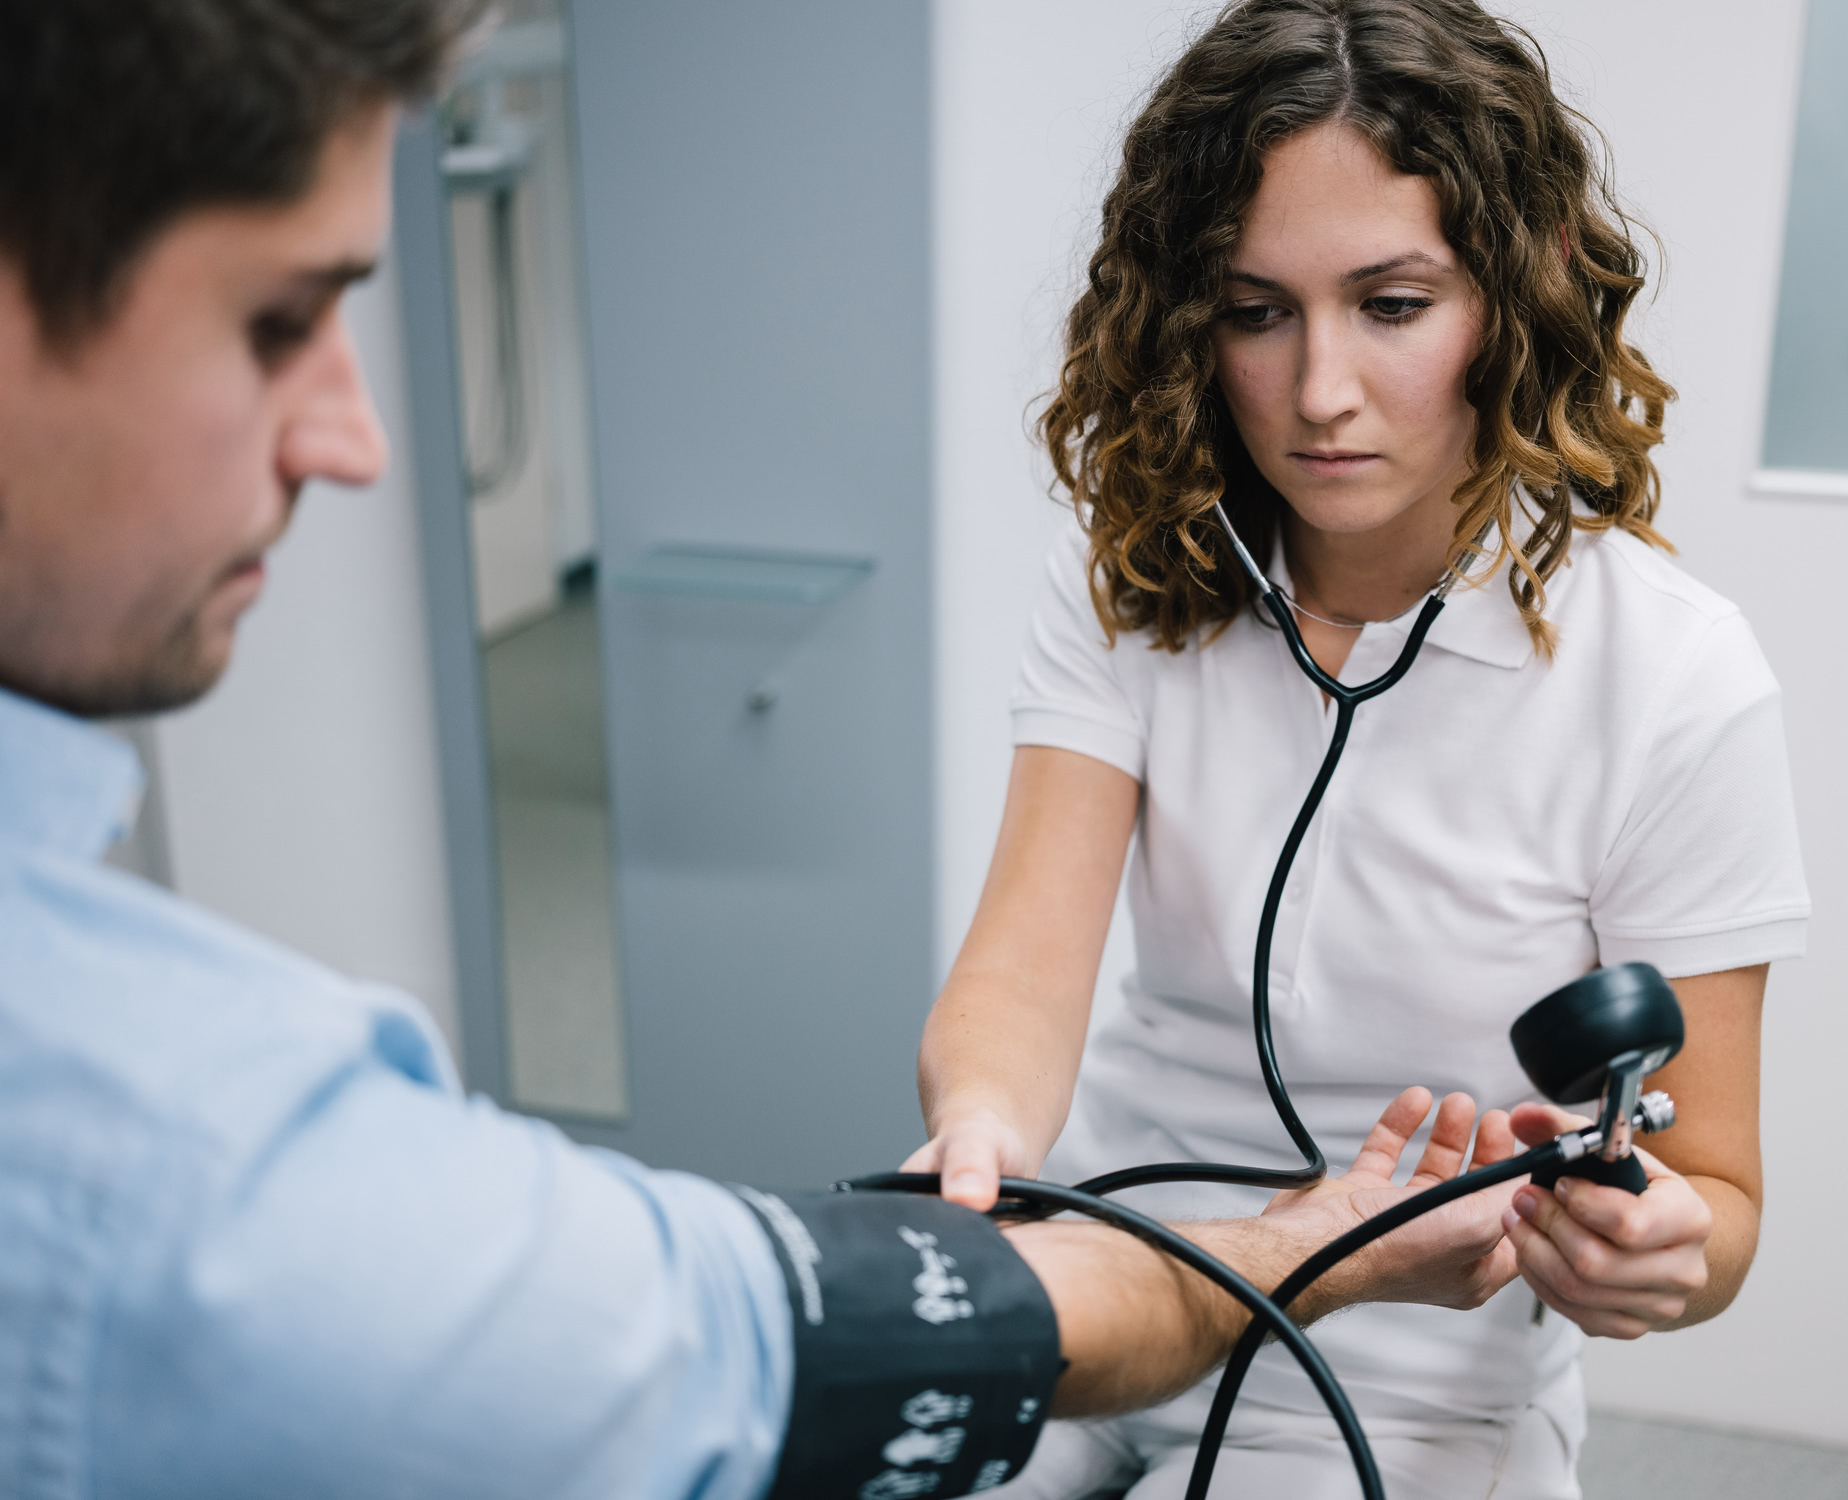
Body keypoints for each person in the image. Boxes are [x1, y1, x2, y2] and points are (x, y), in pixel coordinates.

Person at [0, 2, 1534, 1496]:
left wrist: (1355, 1241)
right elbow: (767, 1340)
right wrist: (1272, 1228)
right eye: (277, 320)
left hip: (1403, 1324)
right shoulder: (174, 1138)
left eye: (1390, 305)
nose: (355, 439)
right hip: (1208, 1249)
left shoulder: (1657, 666)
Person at [904, 2, 1811, 1496]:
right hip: (1125, 1259)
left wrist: (1656, 1254)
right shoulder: (1131, 579)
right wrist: (981, 1133)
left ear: (1514, 304)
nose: (1319, 392)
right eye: (1258, 311)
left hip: (1411, 1363)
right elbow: (1019, 977)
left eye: (1391, 306)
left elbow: (1716, 1198)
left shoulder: (1675, 675)